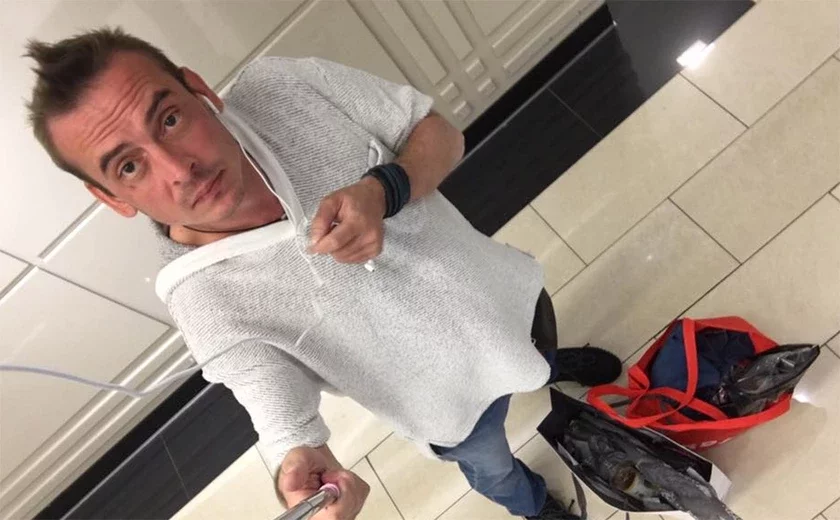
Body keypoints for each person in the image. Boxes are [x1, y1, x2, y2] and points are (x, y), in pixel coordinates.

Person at [25, 28, 621, 520]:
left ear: (199, 90)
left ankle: (548, 368)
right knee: (492, 468)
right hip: (448, 407)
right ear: (111, 198)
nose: (179, 169)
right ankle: (533, 506)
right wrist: (297, 457)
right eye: (129, 167)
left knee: (535, 353)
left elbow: (439, 133)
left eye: (171, 119)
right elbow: (273, 407)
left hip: (503, 298)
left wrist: (386, 188)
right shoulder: (201, 300)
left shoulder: (285, 87)